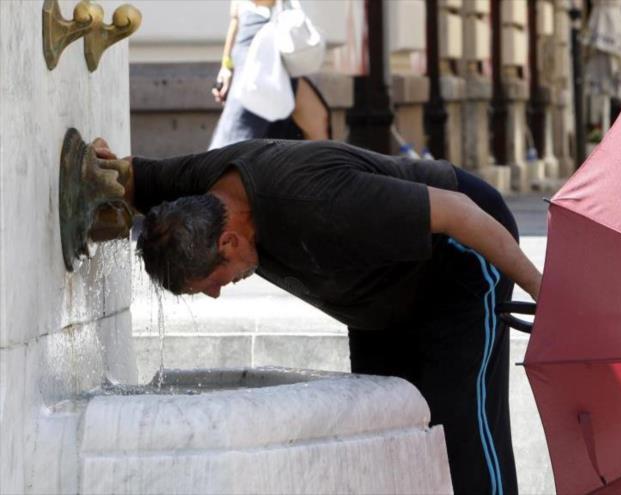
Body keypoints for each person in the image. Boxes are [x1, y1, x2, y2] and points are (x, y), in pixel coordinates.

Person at [93, 137, 541, 495]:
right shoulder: (193, 195)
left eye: (212, 279)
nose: (214, 293)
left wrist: (547, 294)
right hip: (377, 297)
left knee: (459, 426)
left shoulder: (315, 200)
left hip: (458, 257)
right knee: (384, 428)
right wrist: (99, 169)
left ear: (228, 242)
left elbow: (461, 213)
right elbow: (125, 178)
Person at [210, 0, 330, 147]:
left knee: (317, 122)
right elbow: (237, 17)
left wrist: (226, 66)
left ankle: (326, 166)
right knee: (237, 139)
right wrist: (226, 66)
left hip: (275, 53)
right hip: (258, 53)